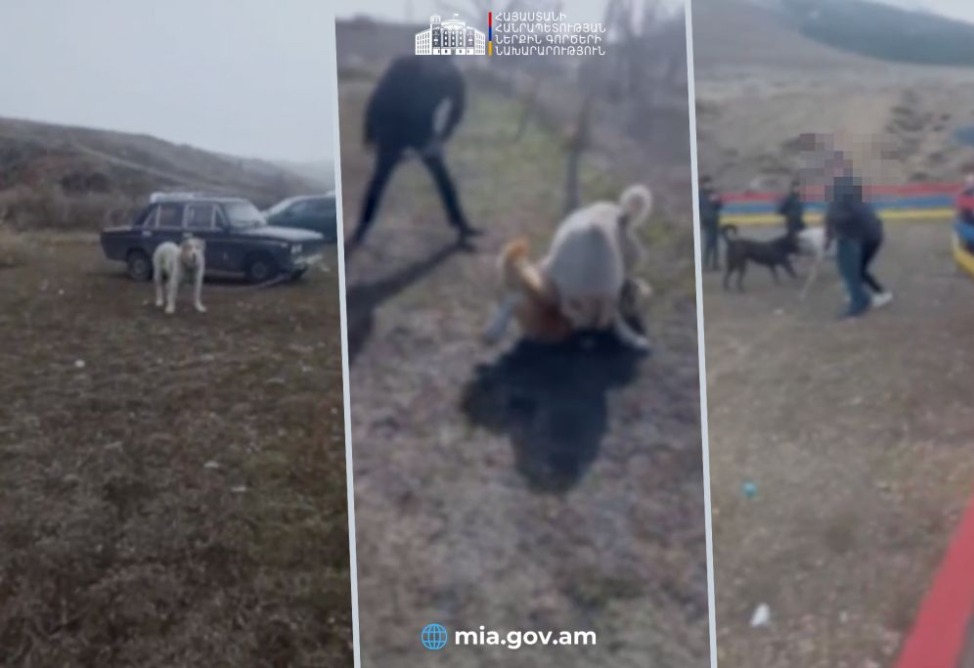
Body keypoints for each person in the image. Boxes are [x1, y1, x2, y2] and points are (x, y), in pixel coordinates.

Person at [824, 155, 873, 319]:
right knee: (848, 271)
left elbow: (856, 212)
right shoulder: (840, 186)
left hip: (850, 235)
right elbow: (833, 213)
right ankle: (862, 298)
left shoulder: (845, 187)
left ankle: (857, 303)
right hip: (845, 234)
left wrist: (835, 222)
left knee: (850, 272)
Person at [699, 175, 723, 271]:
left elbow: (720, 206)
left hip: (715, 220)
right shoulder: (699, 194)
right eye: (706, 183)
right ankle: (706, 264)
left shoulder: (714, 193)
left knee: (715, 243)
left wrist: (716, 201)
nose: (708, 185)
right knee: (708, 243)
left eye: (709, 183)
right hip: (706, 220)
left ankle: (715, 264)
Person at [955, 173, 974, 252]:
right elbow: (960, 209)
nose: (970, 184)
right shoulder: (963, 194)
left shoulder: (963, 193)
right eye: (969, 182)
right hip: (968, 220)